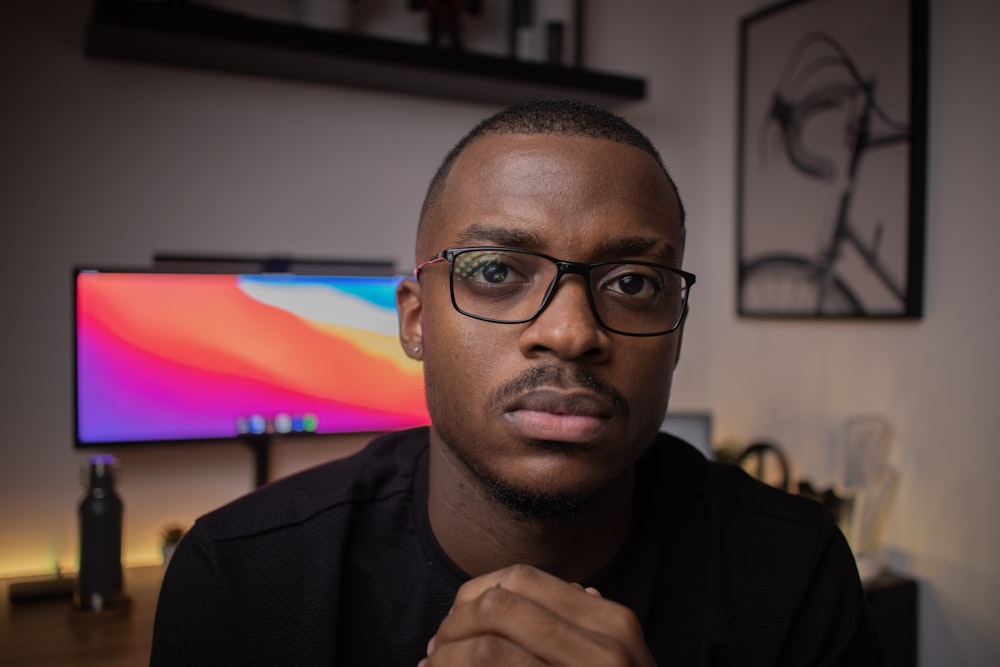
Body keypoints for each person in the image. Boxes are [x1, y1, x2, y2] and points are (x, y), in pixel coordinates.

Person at [150, 99, 883, 665]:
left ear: (678, 329)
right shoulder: (241, 578)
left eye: (632, 281)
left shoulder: (793, 572)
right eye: (497, 272)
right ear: (415, 321)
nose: (570, 332)